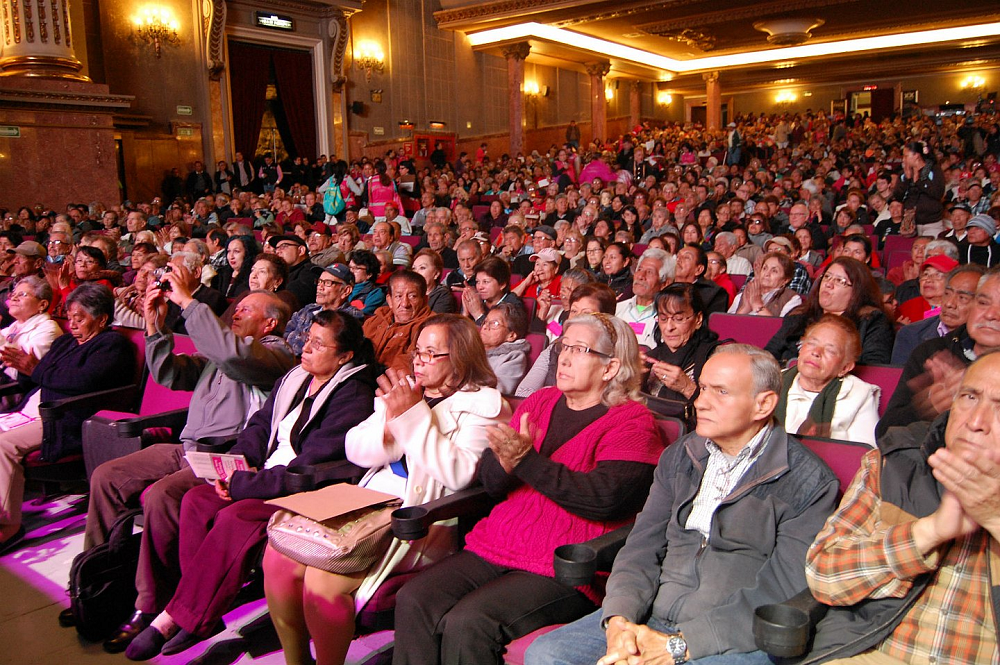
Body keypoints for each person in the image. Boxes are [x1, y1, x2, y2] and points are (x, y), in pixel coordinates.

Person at [525, 344, 839, 665]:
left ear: (763, 404)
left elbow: (782, 588)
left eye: (721, 392)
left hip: (731, 634)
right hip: (652, 612)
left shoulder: (807, 480)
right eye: (702, 388)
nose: (701, 402)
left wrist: (680, 645)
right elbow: (642, 545)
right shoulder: (682, 454)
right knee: (547, 654)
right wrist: (619, 618)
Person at [393, 313, 664, 664]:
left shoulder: (632, 422)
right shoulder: (540, 402)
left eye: (579, 350)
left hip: (567, 564)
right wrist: (505, 465)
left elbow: (604, 500)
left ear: (611, 367)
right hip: (500, 542)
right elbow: (491, 483)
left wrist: (525, 461)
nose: (563, 357)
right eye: (562, 347)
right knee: (414, 598)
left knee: (470, 621)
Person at [123, 311, 378, 660]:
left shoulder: (353, 394)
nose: (306, 348)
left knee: (236, 517)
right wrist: (235, 465)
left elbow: (311, 465)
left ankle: (175, 618)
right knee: (197, 500)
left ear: (345, 355)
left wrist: (246, 484)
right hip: (263, 473)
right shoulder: (296, 378)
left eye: (319, 344)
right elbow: (259, 426)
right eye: (308, 338)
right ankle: (196, 606)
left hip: (302, 488)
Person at [263, 314, 511, 665]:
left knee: (323, 578)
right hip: (367, 499)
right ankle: (296, 658)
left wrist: (410, 417)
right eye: (418, 352)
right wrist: (391, 431)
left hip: (420, 518)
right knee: (278, 557)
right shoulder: (408, 390)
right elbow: (355, 446)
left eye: (430, 353)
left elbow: (459, 473)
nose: (419, 361)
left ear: (458, 359)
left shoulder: (484, 405)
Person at [82, 283, 295, 653]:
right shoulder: (221, 350)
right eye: (238, 306)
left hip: (227, 454)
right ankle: (101, 583)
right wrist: (154, 328)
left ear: (270, 324)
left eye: (248, 309)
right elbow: (170, 374)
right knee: (108, 476)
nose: (237, 312)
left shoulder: (275, 355)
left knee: (163, 497)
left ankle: (153, 604)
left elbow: (233, 355)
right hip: (187, 447)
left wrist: (187, 301)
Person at [803, 351, 1000, 665]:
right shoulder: (893, 464)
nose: (976, 422)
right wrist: (929, 532)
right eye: (969, 397)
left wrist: (994, 516)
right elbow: (824, 576)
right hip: (869, 653)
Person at [0, 284, 135, 549]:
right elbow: (45, 375)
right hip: (39, 409)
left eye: (80, 318)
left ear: (102, 319)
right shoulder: (65, 342)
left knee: (4, 445)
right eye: (70, 317)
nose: (72, 324)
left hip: (67, 419)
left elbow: (81, 382)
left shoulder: (111, 344)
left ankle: (9, 526)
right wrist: (30, 370)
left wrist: (35, 369)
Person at [876, 267, 1000, 437]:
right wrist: (926, 408)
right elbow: (884, 432)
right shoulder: (932, 352)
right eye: (983, 303)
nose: (992, 314)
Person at [766, 257, 895, 366]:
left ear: (857, 292)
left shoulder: (871, 320)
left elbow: (874, 369)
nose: (828, 284)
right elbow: (768, 355)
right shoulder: (799, 315)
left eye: (840, 281)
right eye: (827, 277)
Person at [776, 314, 880, 446]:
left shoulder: (858, 394)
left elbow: (865, 453)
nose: (816, 352)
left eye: (830, 350)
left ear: (845, 367)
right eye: (811, 343)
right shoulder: (772, 381)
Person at [516, 283, 617, 397]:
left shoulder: (610, 356)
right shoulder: (555, 348)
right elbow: (523, 392)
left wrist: (545, 394)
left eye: (586, 313)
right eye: (573, 311)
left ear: (605, 319)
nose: (577, 318)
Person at [643, 283, 721, 410]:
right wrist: (637, 379)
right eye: (663, 319)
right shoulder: (651, 358)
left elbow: (723, 412)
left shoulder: (714, 359)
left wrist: (687, 387)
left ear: (698, 320)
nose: (669, 328)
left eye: (678, 319)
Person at [891, 264, 985, 365]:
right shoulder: (910, 334)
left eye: (962, 298)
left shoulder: (988, 340)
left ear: (983, 303)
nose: (949, 304)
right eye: (947, 294)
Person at [284, 263, 364, 355]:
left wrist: (295, 341)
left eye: (327, 283)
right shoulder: (309, 309)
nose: (319, 287)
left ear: (346, 291)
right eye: (319, 281)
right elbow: (286, 332)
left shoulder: (350, 318)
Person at [363, 270, 432, 372]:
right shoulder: (374, 321)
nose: (405, 304)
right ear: (389, 300)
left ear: (425, 300)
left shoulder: (428, 329)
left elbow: (409, 366)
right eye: (398, 296)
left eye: (412, 296)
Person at [616, 248, 675, 348]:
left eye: (649, 272)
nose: (640, 276)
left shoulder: (669, 317)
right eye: (639, 269)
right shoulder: (618, 309)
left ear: (665, 283)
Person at [729, 251, 802, 317]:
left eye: (774, 271)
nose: (767, 274)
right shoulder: (744, 294)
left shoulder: (792, 298)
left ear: (785, 280)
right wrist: (745, 309)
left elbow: (782, 329)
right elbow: (728, 325)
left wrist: (757, 305)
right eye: (764, 268)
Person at [479, 302, 531, 395]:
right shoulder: (472, 348)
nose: (485, 327)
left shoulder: (514, 357)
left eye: (494, 323)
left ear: (511, 335)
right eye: (485, 322)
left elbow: (498, 390)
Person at [897, 254, 958, 324]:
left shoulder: (957, 310)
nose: (928, 280)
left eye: (938, 275)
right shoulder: (907, 308)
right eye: (926, 274)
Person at [462, 255, 523, 326]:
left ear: (502, 284)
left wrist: (478, 314)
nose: (480, 287)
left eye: (486, 282)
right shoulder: (475, 299)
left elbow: (494, 334)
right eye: (478, 282)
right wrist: (465, 314)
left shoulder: (513, 305)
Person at [673, 244, 729, 315]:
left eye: (686, 257)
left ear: (699, 269)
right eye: (677, 256)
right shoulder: (664, 286)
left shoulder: (713, 293)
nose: (678, 260)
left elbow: (710, 324)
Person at [412, 248, 458, 314]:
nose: (416, 273)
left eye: (422, 268)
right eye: (414, 268)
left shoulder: (443, 295)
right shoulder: (408, 294)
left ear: (436, 274)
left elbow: (435, 322)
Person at [346, 248, 386, 317]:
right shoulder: (343, 287)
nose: (351, 271)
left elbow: (362, 316)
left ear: (369, 274)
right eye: (350, 267)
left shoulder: (376, 293)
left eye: (356, 268)